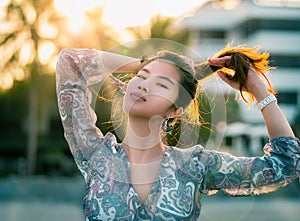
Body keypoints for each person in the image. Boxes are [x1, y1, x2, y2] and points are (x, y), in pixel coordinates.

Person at [56, 44, 299, 221]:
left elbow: (285, 165)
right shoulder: (95, 154)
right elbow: (69, 61)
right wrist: (144, 62)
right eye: (141, 77)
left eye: (161, 84)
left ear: (175, 110)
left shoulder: (195, 166)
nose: (143, 84)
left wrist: (259, 91)